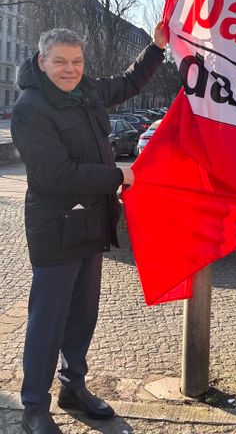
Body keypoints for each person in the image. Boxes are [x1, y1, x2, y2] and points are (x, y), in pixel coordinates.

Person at [11, 23, 167, 434]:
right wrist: (117, 177)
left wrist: (156, 47)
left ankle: (73, 387)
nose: (69, 69)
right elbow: (55, 177)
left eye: (76, 61)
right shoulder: (30, 108)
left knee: (82, 316)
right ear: (42, 62)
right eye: (60, 61)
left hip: (91, 223)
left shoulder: (87, 91)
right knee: (48, 320)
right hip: (55, 228)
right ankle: (34, 406)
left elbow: (129, 83)